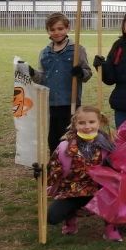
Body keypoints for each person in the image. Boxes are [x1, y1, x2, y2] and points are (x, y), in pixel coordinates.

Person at [39, 105, 122, 241]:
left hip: (98, 189)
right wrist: (42, 173)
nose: (87, 126)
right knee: (52, 218)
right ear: (75, 124)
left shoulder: (108, 144)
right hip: (72, 190)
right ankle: (70, 217)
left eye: (91, 122)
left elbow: (118, 167)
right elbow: (54, 169)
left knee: (113, 193)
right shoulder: (65, 146)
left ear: (99, 123)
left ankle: (110, 228)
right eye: (82, 123)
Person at [30, 12, 92, 152]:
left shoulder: (76, 50)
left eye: (60, 29)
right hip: (51, 103)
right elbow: (42, 78)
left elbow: (87, 74)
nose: (57, 32)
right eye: (52, 30)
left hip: (70, 102)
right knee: (53, 138)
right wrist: (32, 73)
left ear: (67, 28)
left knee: (70, 139)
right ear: (48, 31)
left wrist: (80, 73)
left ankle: (71, 167)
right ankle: (55, 165)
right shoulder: (45, 53)